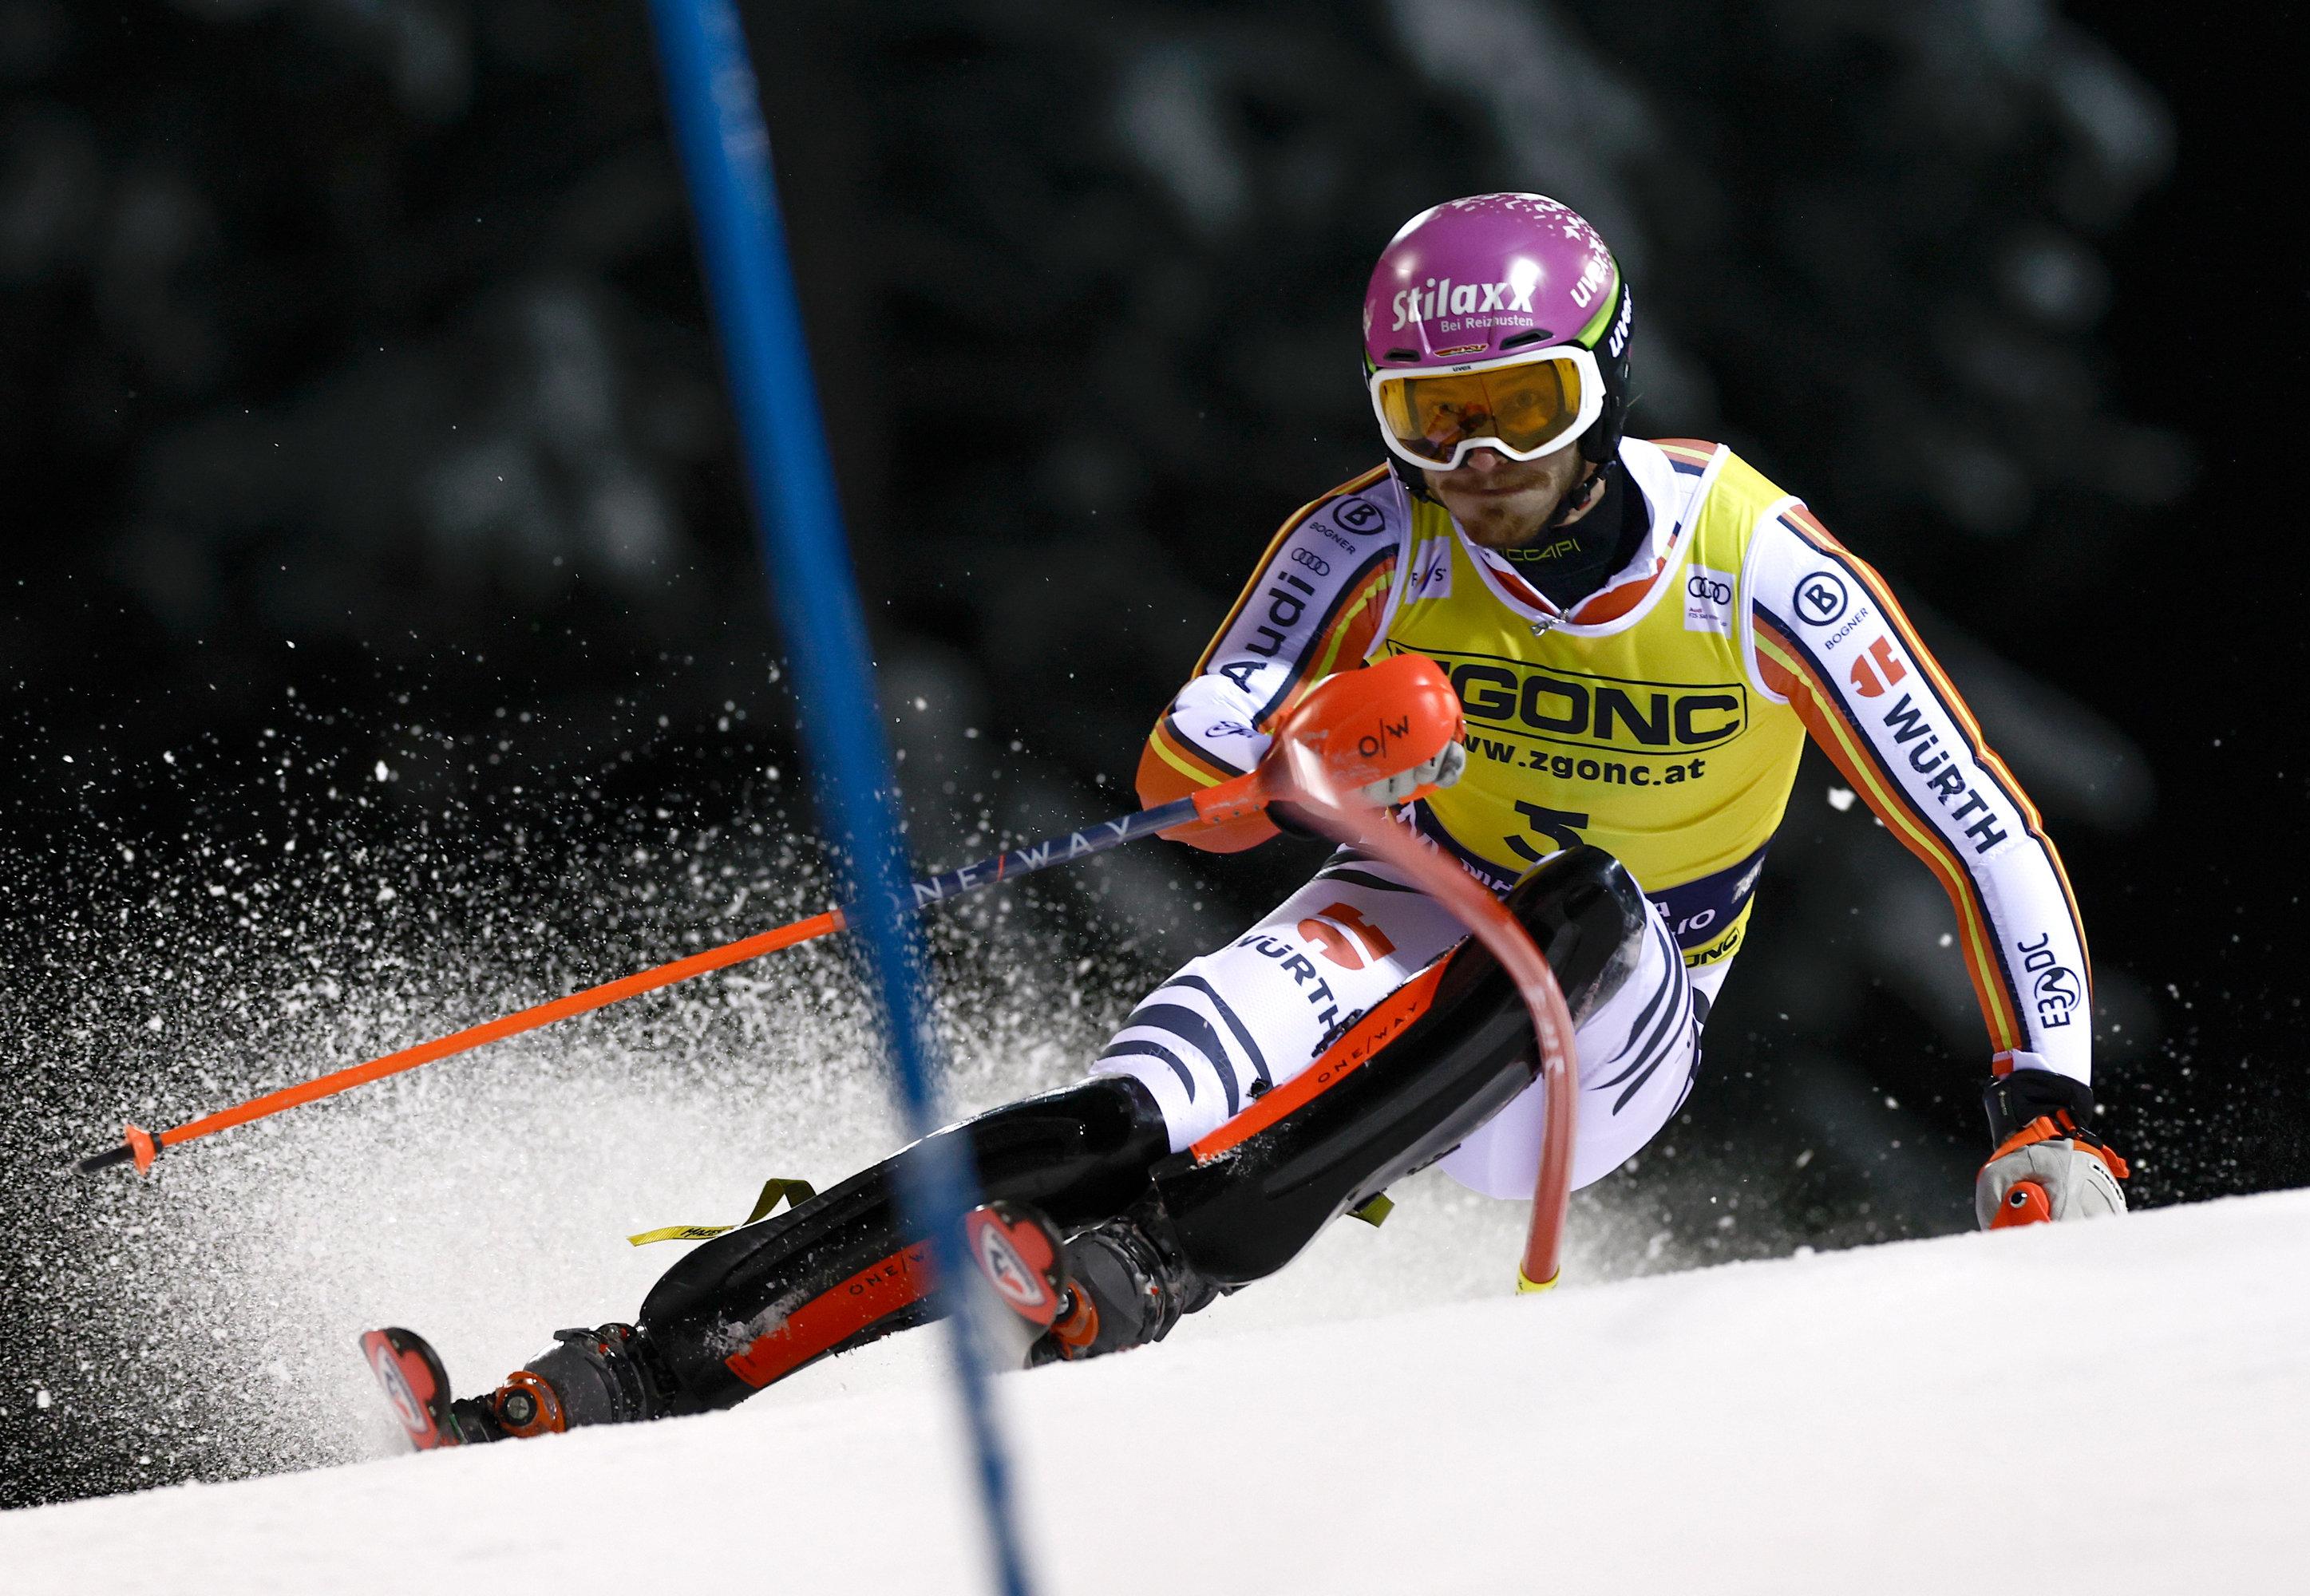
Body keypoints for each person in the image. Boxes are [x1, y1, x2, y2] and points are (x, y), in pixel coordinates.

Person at [367, 192, 2127, 1450]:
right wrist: (1297, 757)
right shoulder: (1368, 537)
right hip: (1406, 912)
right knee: (1119, 1114)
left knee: (1582, 898)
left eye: (1525, 409)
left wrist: (2046, 1110)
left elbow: (1974, 822)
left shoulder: (1757, 565)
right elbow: (1181, 775)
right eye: (1434, 420)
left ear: (1604, 389)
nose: (1482, 462)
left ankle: (1168, 1266)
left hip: (1610, 1017)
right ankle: (646, 1370)